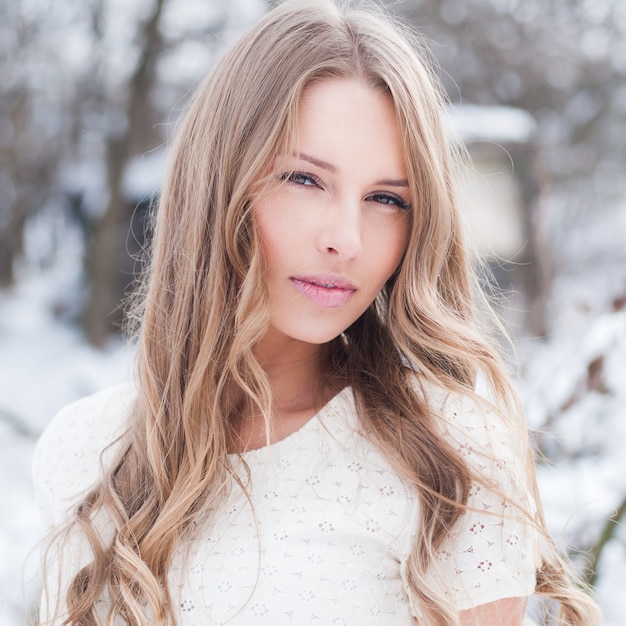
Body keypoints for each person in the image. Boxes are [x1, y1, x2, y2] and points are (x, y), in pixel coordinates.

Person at [33, 1, 601, 625]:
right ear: (219, 181)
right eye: (305, 180)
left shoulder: (448, 452)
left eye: (386, 198)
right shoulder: (86, 449)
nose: (347, 239)